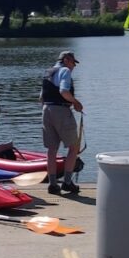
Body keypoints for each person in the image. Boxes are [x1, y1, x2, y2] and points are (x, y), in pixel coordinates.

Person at [40, 51, 84, 195]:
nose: (74, 66)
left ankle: (53, 185)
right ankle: (67, 182)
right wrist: (76, 102)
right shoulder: (64, 71)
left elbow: (41, 97)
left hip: (46, 110)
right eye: (73, 63)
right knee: (73, 147)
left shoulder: (48, 72)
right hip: (61, 110)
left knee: (52, 149)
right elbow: (64, 91)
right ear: (66, 60)